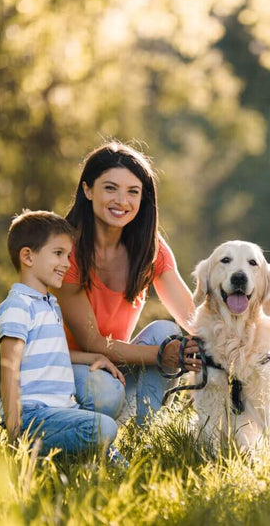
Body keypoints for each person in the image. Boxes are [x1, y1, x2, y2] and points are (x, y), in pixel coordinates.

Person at [55, 141, 201, 426]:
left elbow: (193, 317)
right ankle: (79, 429)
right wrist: (162, 355)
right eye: (110, 188)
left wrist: (237, 342)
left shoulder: (150, 248)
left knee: (166, 331)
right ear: (87, 190)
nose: (122, 200)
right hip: (69, 369)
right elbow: (92, 342)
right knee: (106, 391)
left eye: (133, 191)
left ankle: (146, 437)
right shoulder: (65, 250)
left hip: (117, 369)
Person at [0, 209, 126, 457]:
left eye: (68, 255)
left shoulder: (49, 303)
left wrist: (94, 358)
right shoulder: (18, 306)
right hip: (33, 415)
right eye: (58, 254)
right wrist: (13, 439)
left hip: (60, 411)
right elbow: (9, 372)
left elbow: (52, 353)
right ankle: (29, 450)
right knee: (103, 427)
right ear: (28, 257)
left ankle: (123, 480)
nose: (67, 263)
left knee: (110, 449)